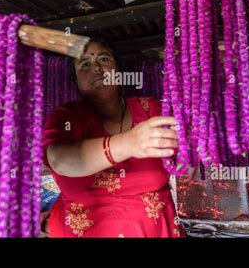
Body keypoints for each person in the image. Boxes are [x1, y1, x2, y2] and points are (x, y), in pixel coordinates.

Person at [42, 38, 185, 238]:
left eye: (104, 59)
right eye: (85, 64)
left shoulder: (150, 108)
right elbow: (59, 159)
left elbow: (184, 152)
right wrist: (129, 143)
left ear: (117, 70)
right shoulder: (68, 116)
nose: (97, 68)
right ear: (76, 80)